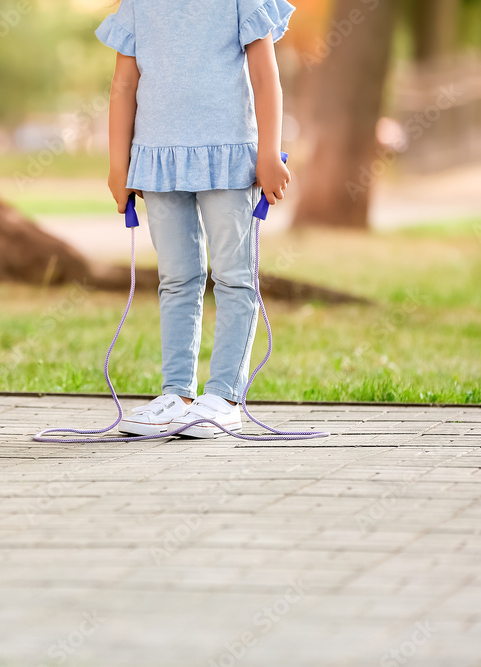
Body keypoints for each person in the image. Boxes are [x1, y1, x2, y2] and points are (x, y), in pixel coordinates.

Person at [98, 0, 294, 437]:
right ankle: (177, 394)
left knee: (233, 275)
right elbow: (123, 85)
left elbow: (265, 78)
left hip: (228, 156)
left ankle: (223, 397)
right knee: (177, 278)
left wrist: (267, 152)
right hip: (159, 158)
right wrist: (118, 166)